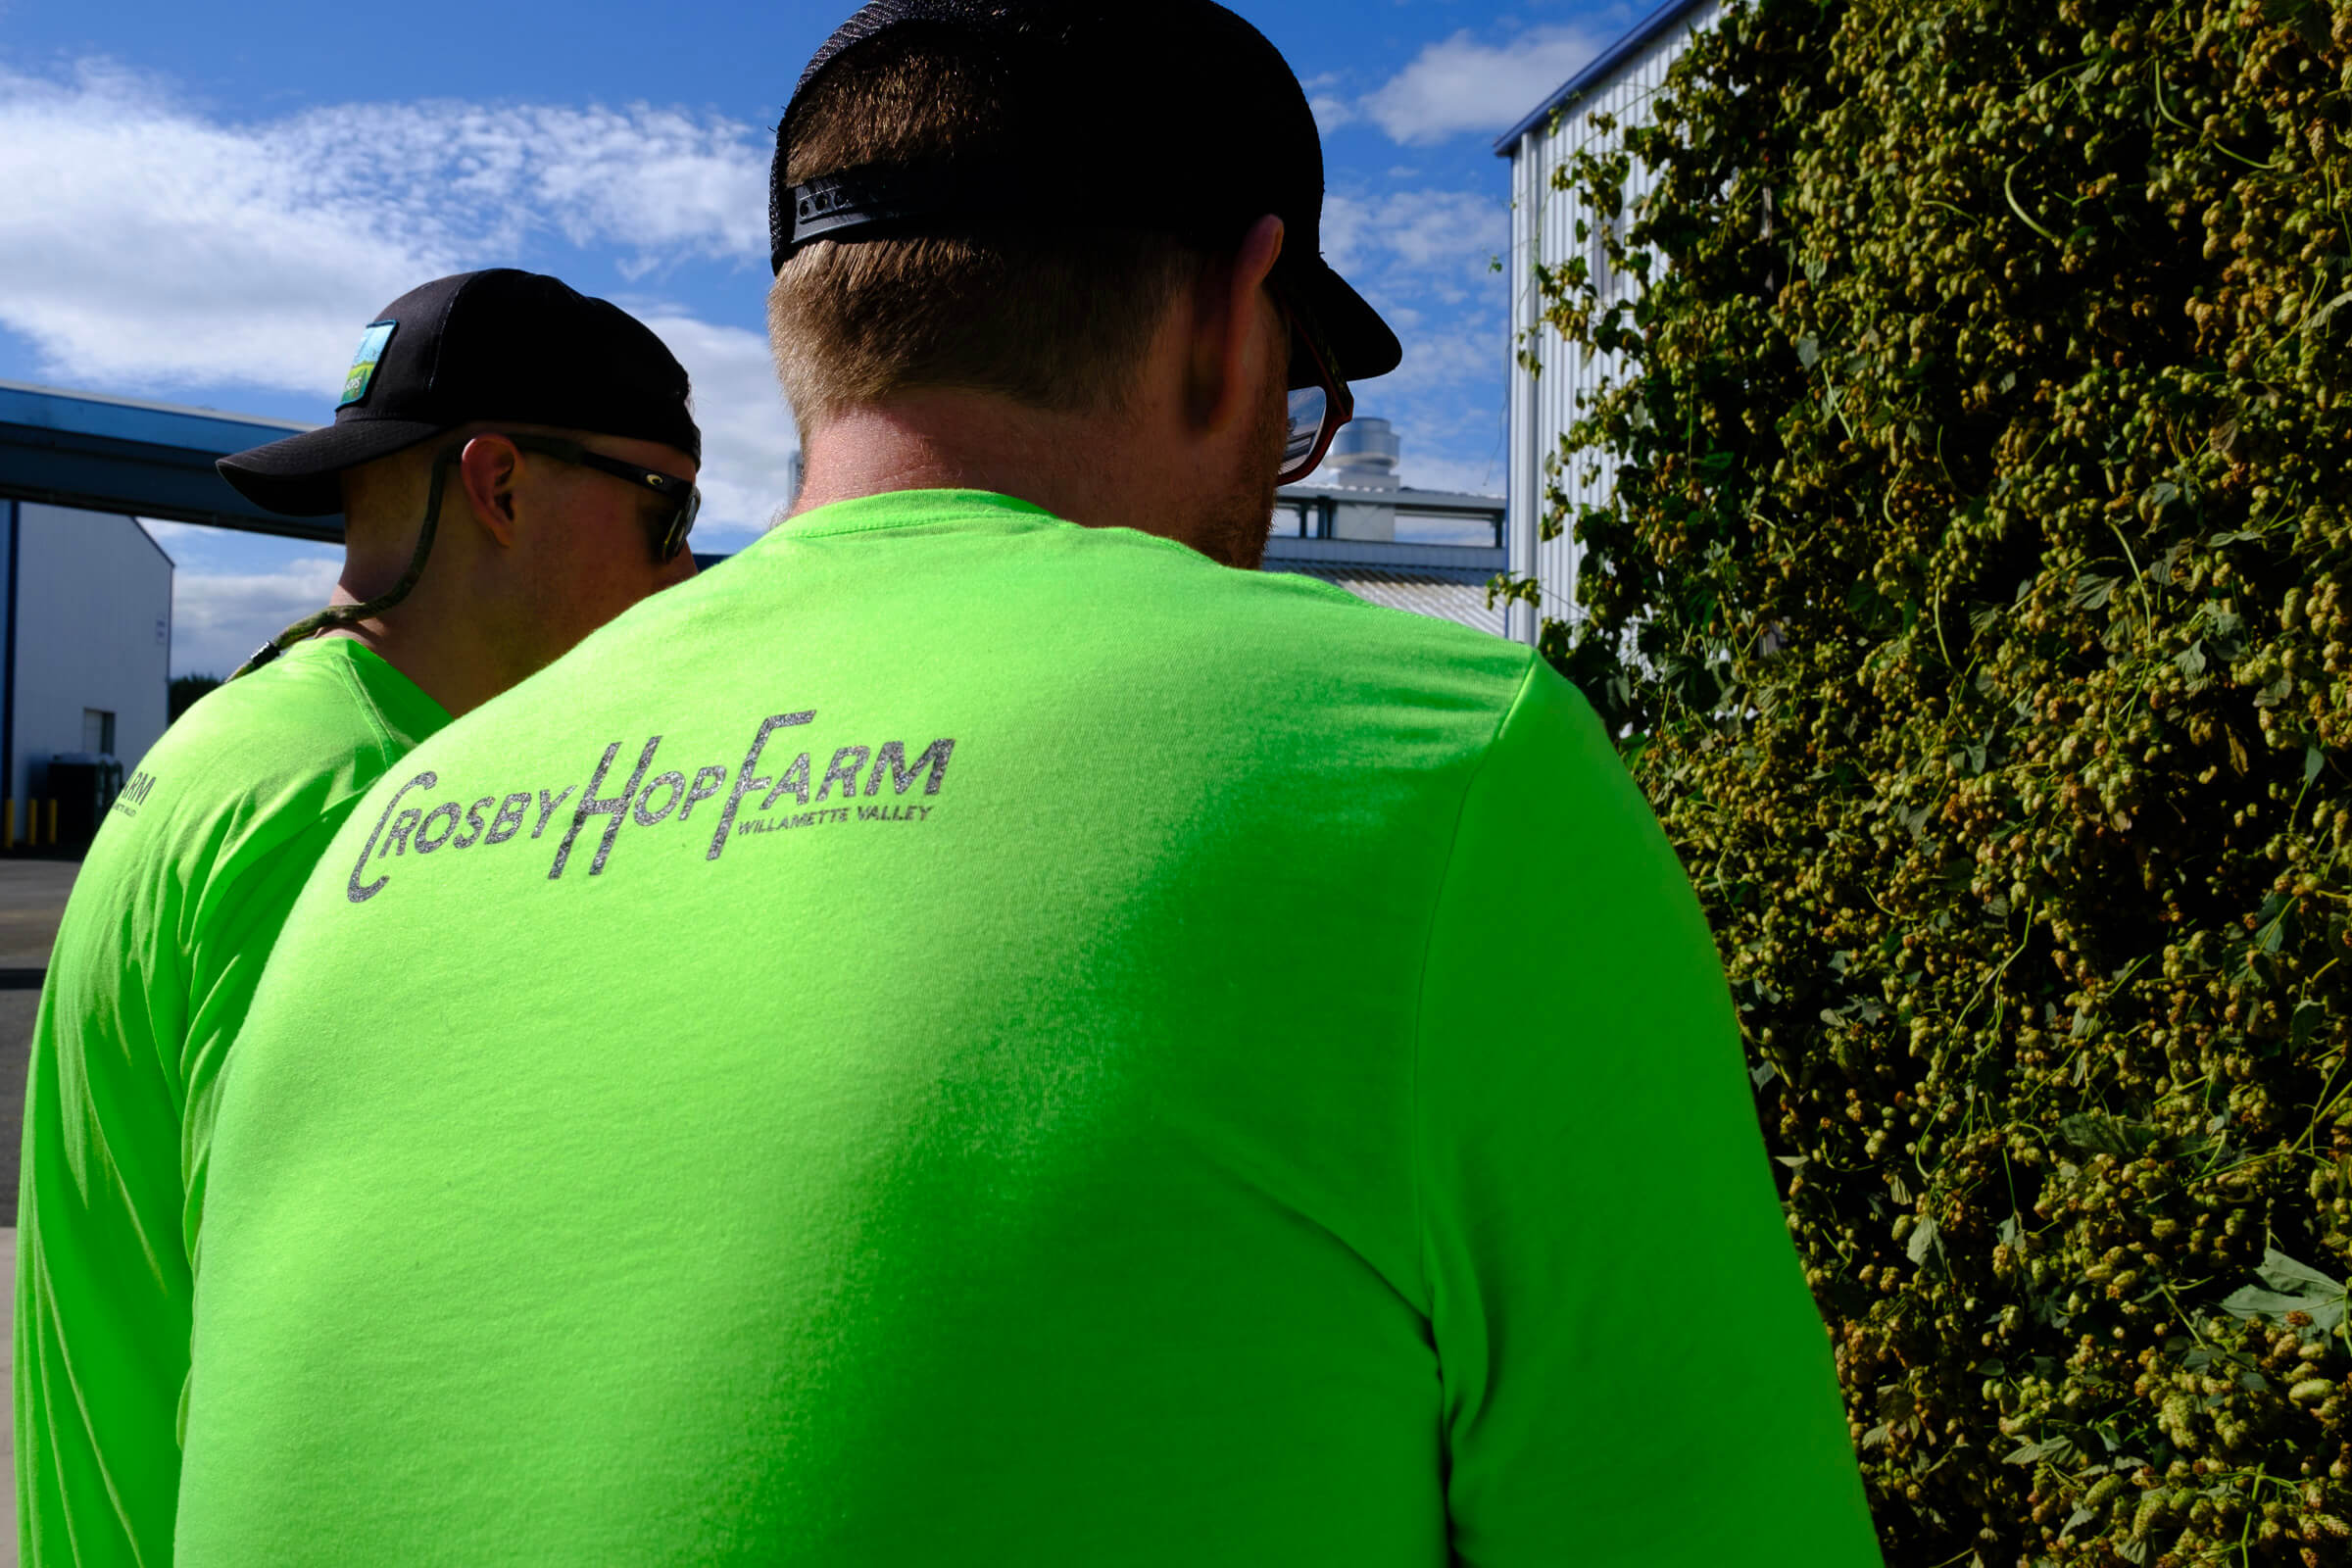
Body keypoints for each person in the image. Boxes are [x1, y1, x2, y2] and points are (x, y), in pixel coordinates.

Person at [188, 5, 1881, 1562]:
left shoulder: (390, 835)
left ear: (815, 340)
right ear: (1233, 317)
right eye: (1300, 398)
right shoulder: (1442, 768)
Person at [15, 268, 703, 1566]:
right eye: (666, 513)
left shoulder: (243, 735)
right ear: (499, 485)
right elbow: (376, 1391)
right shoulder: (385, 823)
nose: (679, 576)